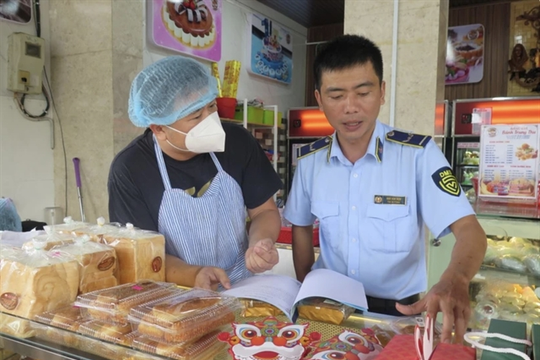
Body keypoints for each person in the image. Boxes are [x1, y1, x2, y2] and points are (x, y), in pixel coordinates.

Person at [284, 35, 486, 343]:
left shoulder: (418, 155)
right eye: (336, 96)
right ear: (319, 99)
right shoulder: (311, 161)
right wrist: (306, 283)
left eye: (363, 92)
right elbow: (299, 225)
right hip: (328, 308)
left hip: (398, 315)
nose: (350, 108)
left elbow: (470, 229)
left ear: (382, 92)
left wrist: (455, 278)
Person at [108, 56, 282, 290]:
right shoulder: (131, 169)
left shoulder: (237, 142)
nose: (210, 120)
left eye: (211, 107)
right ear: (159, 128)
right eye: (196, 116)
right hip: (174, 295)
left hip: (242, 287)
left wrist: (261, 243)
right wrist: (194, 274)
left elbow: (264, 211)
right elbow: (141, 253)